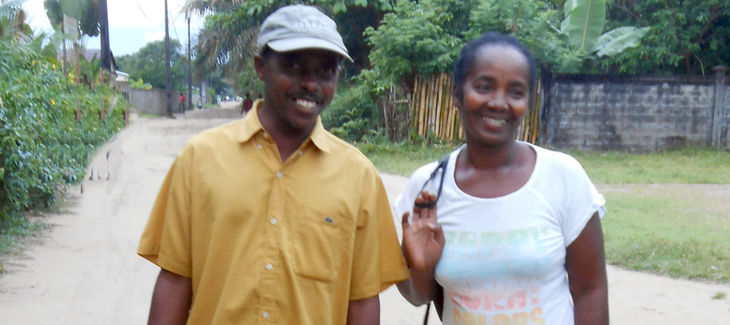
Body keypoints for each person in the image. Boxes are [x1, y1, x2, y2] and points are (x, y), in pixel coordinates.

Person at [137, 5, 409, 325]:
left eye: (325, 71)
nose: (310, 83)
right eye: (293, 66)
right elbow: (174, 280)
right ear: (261, 67)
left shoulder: (358, 176)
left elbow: (362, 301)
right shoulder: (199, 159)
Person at [395, 32, 609, 325]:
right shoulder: (429, 187)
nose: (498, 102)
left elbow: (590, 291)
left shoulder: (562, 177)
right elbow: (418, 296)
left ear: (527, 102)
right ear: (456, 94)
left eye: (516, 92)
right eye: (484, 87)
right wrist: (420, 266)